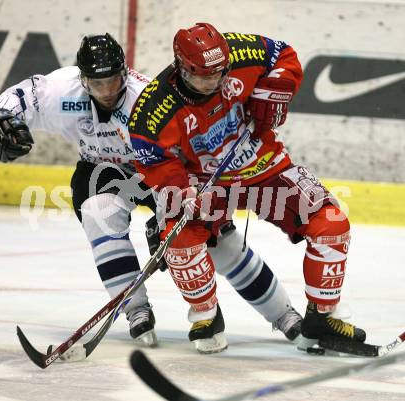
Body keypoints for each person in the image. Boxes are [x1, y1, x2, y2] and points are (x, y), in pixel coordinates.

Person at [0, 33, 302, 355]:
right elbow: (22, 96)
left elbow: (192, 150)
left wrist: (172, 213)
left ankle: (283, 314)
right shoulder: (60, 90)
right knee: (99, 216)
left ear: (125, 72)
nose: (106, 91)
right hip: (100, 169)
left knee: (218, 241)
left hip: (159, 170)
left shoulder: (147, 97)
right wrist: (1, 117)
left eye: (113, 81)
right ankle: (136, 310)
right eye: (97, 83)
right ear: (83, 79)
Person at [129, 23, 366, 354]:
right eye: (204, 77)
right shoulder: (154, 109)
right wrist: (180, 190)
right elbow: (152, 160)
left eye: (220, 74)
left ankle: (322, 317)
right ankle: (206, 315)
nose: (215, 82)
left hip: (266, 167)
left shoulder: (240, 51)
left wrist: (275, 89)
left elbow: (284, 55)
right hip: (208, 185)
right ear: (182, 68)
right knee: (178, 238)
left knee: (331, 224)